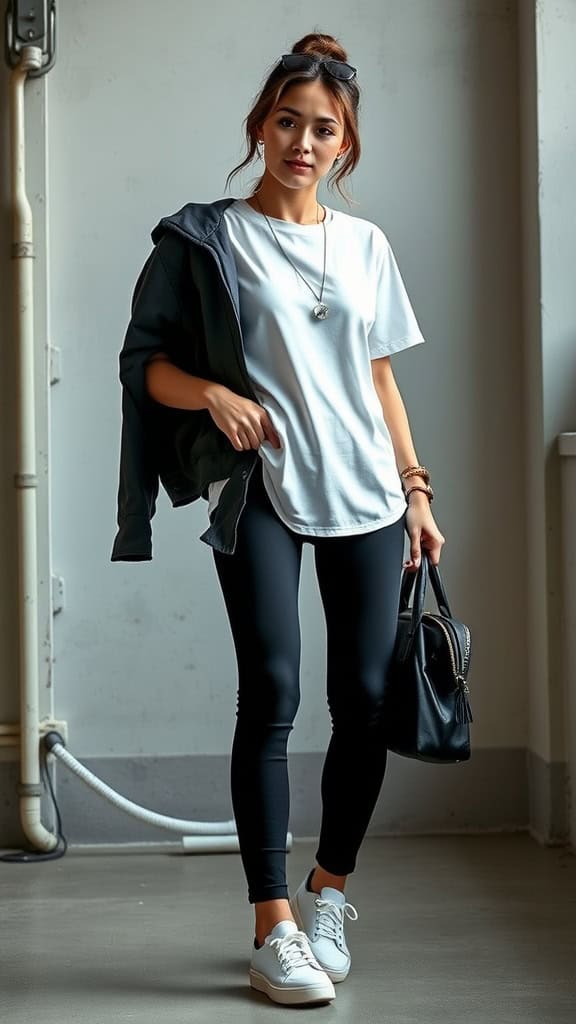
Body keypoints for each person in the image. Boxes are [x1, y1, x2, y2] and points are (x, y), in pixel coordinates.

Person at [115, 31, 445, 1008]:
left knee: (368, 701)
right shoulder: (206, 239)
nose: (304, 141)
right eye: (288, 121)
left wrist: (417, 488)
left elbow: (380, 377)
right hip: (259, 489)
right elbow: (146, 365)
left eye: (325, 129)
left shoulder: (366, 244)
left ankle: (330, 890)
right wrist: (212, 394)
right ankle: (274, 924)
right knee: (272, 689)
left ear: (346, 146)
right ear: (260, 127)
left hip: (368, 495)